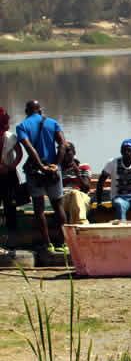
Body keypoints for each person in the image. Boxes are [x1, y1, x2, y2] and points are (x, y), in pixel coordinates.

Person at [14, 100, 67, 251]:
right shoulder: (53, 123)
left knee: (39, 209)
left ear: (26, 111)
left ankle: (47, 243)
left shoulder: (22, 127)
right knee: (58, 206)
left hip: (35, 172)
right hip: (53, 171)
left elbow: (30, 149)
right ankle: (64, 243)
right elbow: (63, 144)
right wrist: (56, 165)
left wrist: (41, 168)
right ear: (40, 110)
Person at [59, 141, 92, 225]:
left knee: (76, 194)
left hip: (82, 197)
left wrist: (77, 173)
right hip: (63, 198)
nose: (65, 154)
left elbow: (86, 188)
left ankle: (76, 224)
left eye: (68, 150)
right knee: (74, 193)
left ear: (74, 152)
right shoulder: (56, 168)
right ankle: (82, 223)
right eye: (62, 151)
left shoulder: (83, 167)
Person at [0, 108, 21, 233]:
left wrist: (12, 166)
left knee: (10, 204)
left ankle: (12, 234)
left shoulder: (11, 137)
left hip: (9, 174)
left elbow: (19, 153)